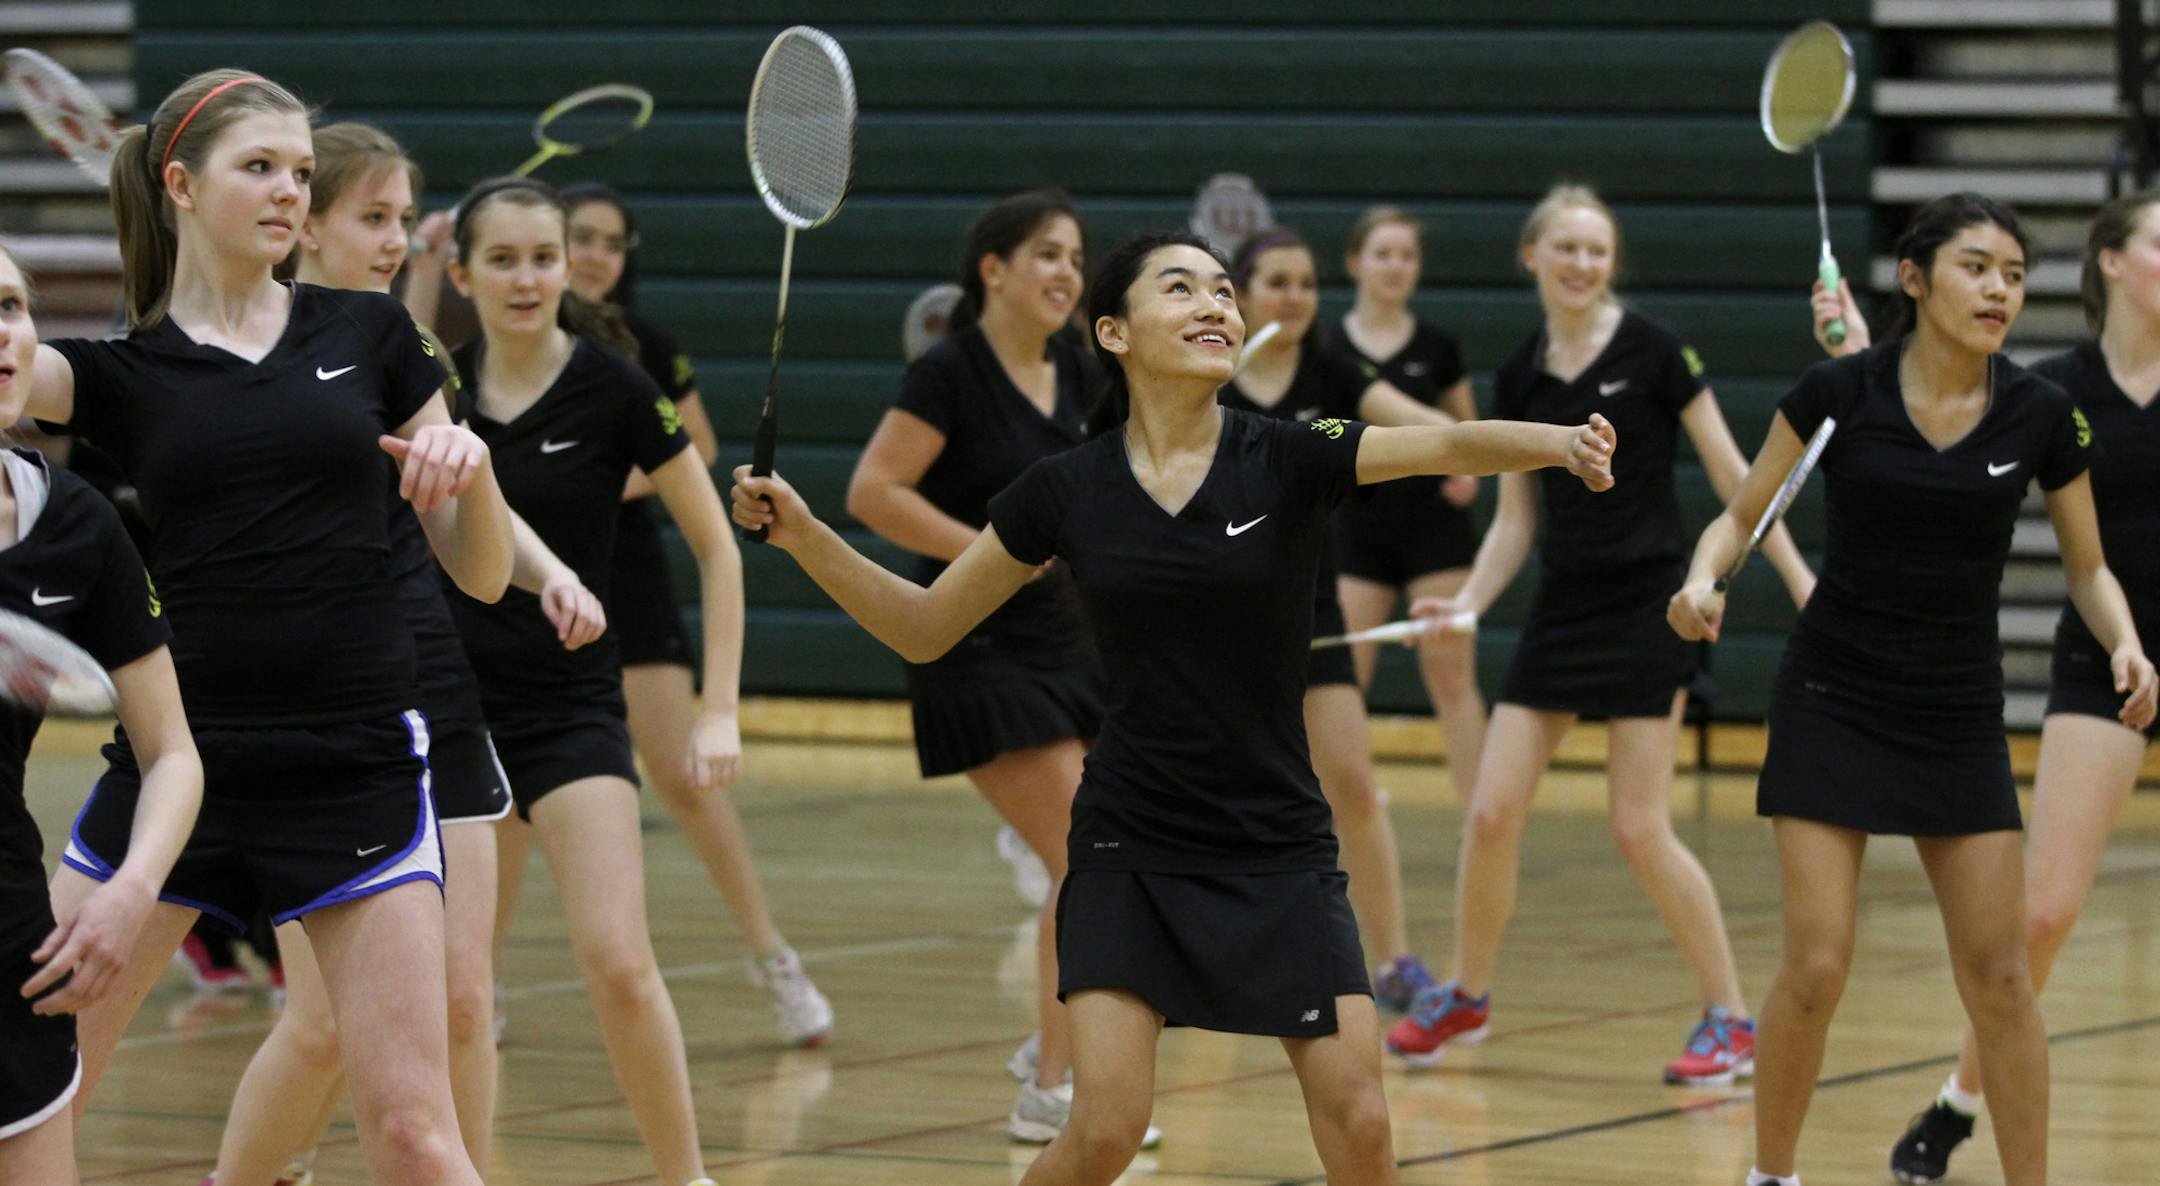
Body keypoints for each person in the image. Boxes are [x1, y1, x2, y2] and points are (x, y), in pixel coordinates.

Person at [729, 229, 1616, 1186]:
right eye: (1181, 288)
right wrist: (807, 537)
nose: (1216, 306)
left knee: (1361, 1121)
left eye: (1224, 292)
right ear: (1112, 333)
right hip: (1131, 843)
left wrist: (1559, 446)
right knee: (1106, 1130)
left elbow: (1443, 441)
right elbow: (924, 626)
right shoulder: (1064, 491)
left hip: (1276, 841)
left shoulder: (1289, 455)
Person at [25, 69, 515, 1186]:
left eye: (301, 172)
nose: (290, 191)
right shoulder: (121, 374)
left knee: (411, 1131)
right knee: (35, 1091)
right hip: (175, 771)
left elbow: (482, 578)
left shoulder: (377, 334)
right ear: (182, 186)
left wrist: (470, 476)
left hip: (356, 763)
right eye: (261, 168)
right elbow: (13, 374)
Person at [1673, 191, 2156, 1186]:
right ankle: (1772, 1176)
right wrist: (1699, 577)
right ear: (1914, 277)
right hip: (1833, 696)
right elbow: (1740, 516)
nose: (1999, 290)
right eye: (1977, 267)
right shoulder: (1836, 393)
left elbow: (2087, 567)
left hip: (1955, 712)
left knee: (2005, 977)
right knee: (1817, 963)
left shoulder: (2040, 413)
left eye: (2015, 275)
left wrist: (2126, 640)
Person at [201, 122, 607, 1186]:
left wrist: (552, 572)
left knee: (466, 999)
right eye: (371, 218)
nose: (391, 239)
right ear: (306, 226)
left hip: (436, 687)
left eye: (399, 219)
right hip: (311, 714)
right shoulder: (241, 355)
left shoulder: (405, 351)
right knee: (326, 1024)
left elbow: (481, 508)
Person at [1387, 183, 1809, 1085]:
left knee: (1637, 826)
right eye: (1566, 248)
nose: (1582, 264)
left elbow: (1739, 479)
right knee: (1492, 811)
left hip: (1648, 606)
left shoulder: (1657, 353)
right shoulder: (1521, 374)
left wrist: (1801, 580)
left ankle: (1730, 1017)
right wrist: (1466, 602)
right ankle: (1467, 994)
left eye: (1597, 250)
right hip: (1562, 609)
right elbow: (1515, 523)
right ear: (1531, 257)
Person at [477, 179, 826, 1047]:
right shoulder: (454, 375)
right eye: (576, 238)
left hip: (618, 578)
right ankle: (477, 989)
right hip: (496, 631)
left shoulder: (634, 361)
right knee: (504, 823)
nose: (591, 256)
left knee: (683, 776)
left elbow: (697, 455)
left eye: (602, 243)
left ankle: (773, 957)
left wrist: (598, 474)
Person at [444, 174, 742, 1186]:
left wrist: (720, 710)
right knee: (461, 991)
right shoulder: (436, 393)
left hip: (572, 709)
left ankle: (686, 1177)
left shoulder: (617, 387)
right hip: (456, 720)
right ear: (461, 272)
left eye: (544, 257)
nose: (527, 278)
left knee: (618, 960)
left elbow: (719, 548)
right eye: (503, 259)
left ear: (570, 267)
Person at [847, 189, 1122, 1140]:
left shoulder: (1081, 372)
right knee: (1084, 859)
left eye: (1076, 259)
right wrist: (993, 548)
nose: (1066, 274)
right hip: (971, 642)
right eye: (1046, 254)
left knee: (1098, 858)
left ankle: (1056, 1057)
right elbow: (873, 493)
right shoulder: (949, 374)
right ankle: (1053, 1085)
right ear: (992, 270)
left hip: (1068, 646)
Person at [1217, 226, 1470, 1009]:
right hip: (1218, 621)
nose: (1293, 295)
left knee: (1352, 784)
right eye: (1275, 281)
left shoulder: (1334, 374)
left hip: (1311, 611)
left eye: (1304, 281)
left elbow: (1424, 430)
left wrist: (1499, 449)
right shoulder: (1207, 380)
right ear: (1244, 293)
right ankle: (1212, 956)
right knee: (1225, 793)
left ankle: (1393, 961)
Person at [0, 244, 202, 1186]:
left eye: (9, 307)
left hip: (12, 942)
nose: (2, 335)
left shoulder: (75, 524)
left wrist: (131, 892)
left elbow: (171, 754)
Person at [1322, 206, 1487, 811]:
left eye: (1407, 256)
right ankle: (1336, 809)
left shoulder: (1437, 346)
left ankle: (1482, 815)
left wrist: (1466, 473)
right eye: (1383, 254)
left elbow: (1465, 432)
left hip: (1434, 531)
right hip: (1357, 529)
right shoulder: (1329, 347)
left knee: (1451, 676)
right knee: (1343, 679)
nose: (1395, 266)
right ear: (1355, 263)